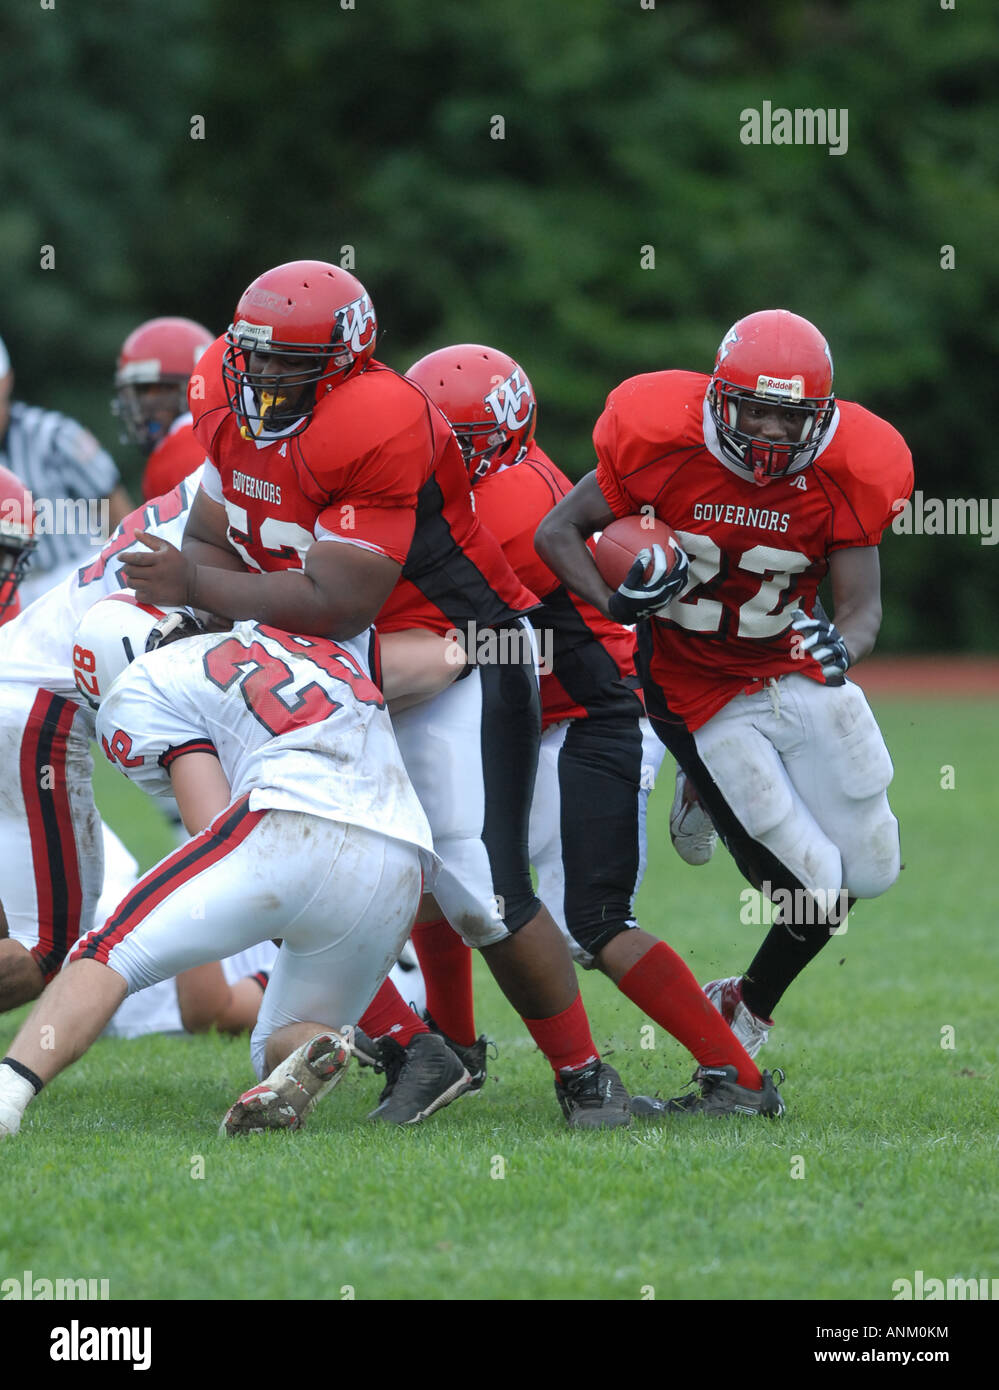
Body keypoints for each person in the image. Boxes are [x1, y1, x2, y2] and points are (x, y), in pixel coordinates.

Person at [120, 260, 631, 1130]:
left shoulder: (378, 420)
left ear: (345, 360)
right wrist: (199, 597)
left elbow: (341, 599)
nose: (265, 375)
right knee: (297, 851)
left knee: (478, 888)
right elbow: (217, 532)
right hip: (336, 661)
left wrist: (194, 586)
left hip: (455, 654)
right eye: (255, 355)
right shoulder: (228, 406)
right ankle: (422, 1053)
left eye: (290, 360)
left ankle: (586, 1079)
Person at [403, 344, 783, 1117]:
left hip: (591, 717)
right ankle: (453, 1046)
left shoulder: (509, 501)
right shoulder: (485, 484)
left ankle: (738, 1080)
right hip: (522, 716)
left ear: (504, 435)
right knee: (446, 869)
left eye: (458, 443)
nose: (439, 459)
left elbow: (417, 612)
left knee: (591, 921)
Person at [536, 309, 913, 1077]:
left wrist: (844, 644)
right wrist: (614, 606)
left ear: (823, 418)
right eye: (757, 410)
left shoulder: (851, 468)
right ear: (718, 400)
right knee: (815, 891)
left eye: (792, 415)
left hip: (787, 666)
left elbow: (860, 608)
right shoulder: (658, 445)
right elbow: (556, 533)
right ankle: (746, 1006)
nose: (772, 432)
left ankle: (742, 987)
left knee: (870, 871)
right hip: (694, 688)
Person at [0, 595, 438, 1141]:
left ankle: (7, 1094)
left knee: (107, 950)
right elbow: (436, 663)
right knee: (274, 1038)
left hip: (290, 825)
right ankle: (312, 1047)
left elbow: (211, 820)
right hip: (400, 855)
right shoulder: (290, 639)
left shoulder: (141, 684)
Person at [0, 330, 134, 604]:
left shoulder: (52, 435)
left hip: (75, 579)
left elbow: (119, 514)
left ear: (7, 380)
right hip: (12, 594)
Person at [111, 316, 214, 501]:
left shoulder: (170, 457)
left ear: (185, 388)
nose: (139, 404)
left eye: (145, 389)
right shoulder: (237, 432)